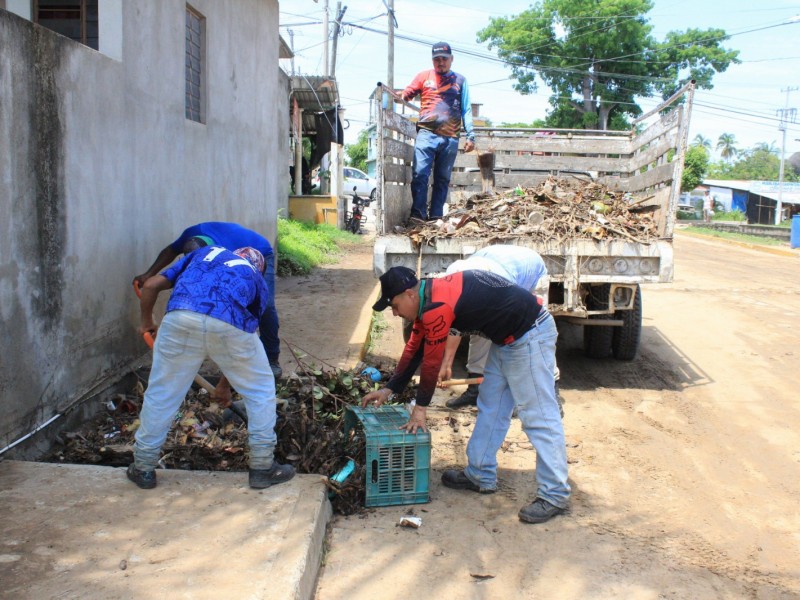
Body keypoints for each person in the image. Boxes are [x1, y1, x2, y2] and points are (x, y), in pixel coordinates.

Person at [362, 266, 570, 524]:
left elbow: (431, 362)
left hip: (530, 334)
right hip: (506, 340)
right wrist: (389, 388)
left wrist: (420, 409)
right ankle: (480, 473)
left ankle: (555, 493)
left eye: (394, 305)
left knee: (538, 415)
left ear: (409, 295)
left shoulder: (437, 304)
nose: (394, 313)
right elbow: (414, 348)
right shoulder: (427, 296)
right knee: (491, 405)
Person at [127, 244, 294, 490]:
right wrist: (226, 385)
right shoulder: (257, 282)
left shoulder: (205, 253)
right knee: (260, 391)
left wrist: (146, 323)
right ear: (259, 268)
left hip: (179, 317)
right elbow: (242, 341)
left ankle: (143, 466)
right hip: (230, 322)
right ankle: (262, 467)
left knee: (163, 393)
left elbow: (150, 285)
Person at [133, 221, 282, 398]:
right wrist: (150, 273)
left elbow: (244, 325)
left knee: (264, 307)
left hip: (260, 252)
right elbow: (170, 251)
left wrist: (225, 382)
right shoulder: (191, 234)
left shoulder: (227, 254)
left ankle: (271, 358)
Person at [440, 246, 552, 410]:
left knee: (531, 336)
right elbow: (456, 325)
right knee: (478, 328)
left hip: (530, 270)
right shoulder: (453, 276)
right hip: (494, 260)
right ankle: (475, 390)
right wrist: (446, 364)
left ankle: (544, 395)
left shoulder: (498, 284)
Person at [398, 42, 475, 222]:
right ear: (432, 60)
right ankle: (418, 214)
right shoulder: (423, 76)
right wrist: (405, 94)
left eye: (444, 59)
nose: (440, 63)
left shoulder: (460, 81)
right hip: (426, 133)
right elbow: (408, 92)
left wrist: (471, 135)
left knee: (442, 179)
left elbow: (467, 109)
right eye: (437, 59)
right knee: (420, 173)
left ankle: (435, 217)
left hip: (450, 138)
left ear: (451, 59)